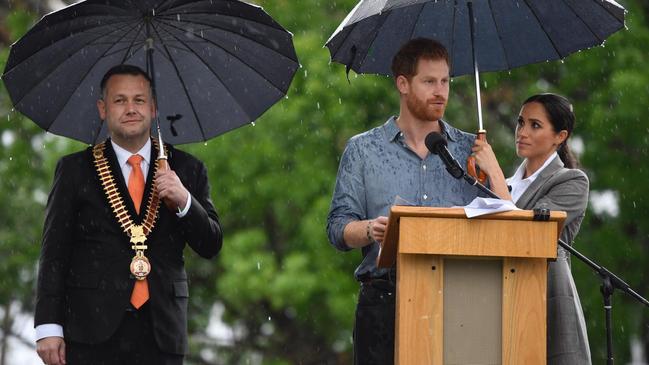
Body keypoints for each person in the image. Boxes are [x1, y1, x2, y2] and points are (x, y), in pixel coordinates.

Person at [35, 64, 223, 365]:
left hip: (162, 329)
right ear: (102, 109)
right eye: (119, 100)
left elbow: (211, 244)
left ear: (153, 108)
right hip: (90, 329)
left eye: (139, 100)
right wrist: (47, 327)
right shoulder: (75, 170)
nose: (130, 108)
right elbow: (54, 252)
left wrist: (184, 200)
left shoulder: (187, 168)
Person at [326, 38, 480, 365]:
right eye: (429, 81)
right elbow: (337, 229)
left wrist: (490, 167)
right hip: (383, 301)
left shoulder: (472, 150)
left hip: (456, 299)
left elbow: (500, 222)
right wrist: (371, 229)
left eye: (445, 81)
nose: (441, 91)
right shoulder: (363, 150)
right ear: (403, 84)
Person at [472, 93, 591, 364]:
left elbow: (524, 235)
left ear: (560, 136)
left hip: (545, 303)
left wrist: (493, 171)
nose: (522, 132)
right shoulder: (506, 184)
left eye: (535, 125)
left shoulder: (571, 181)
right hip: (500, 303)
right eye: (520, 122)